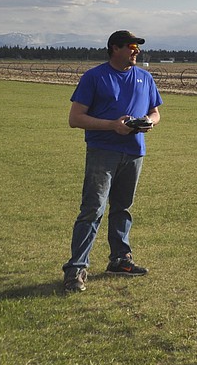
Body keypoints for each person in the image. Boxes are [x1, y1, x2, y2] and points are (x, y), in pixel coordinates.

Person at [62, 30, 163, 293]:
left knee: (123, 208)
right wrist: (112, 126)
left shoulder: (145, 77)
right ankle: (76, 269)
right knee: (92, 210)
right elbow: (75, 118)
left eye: (137, 47)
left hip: (134, 152)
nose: (136, 51)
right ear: (114, 48)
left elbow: (155, 111)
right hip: (103, 152)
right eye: (131, 46)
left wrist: (148, 122)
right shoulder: (94, 77)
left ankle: (120, 259)